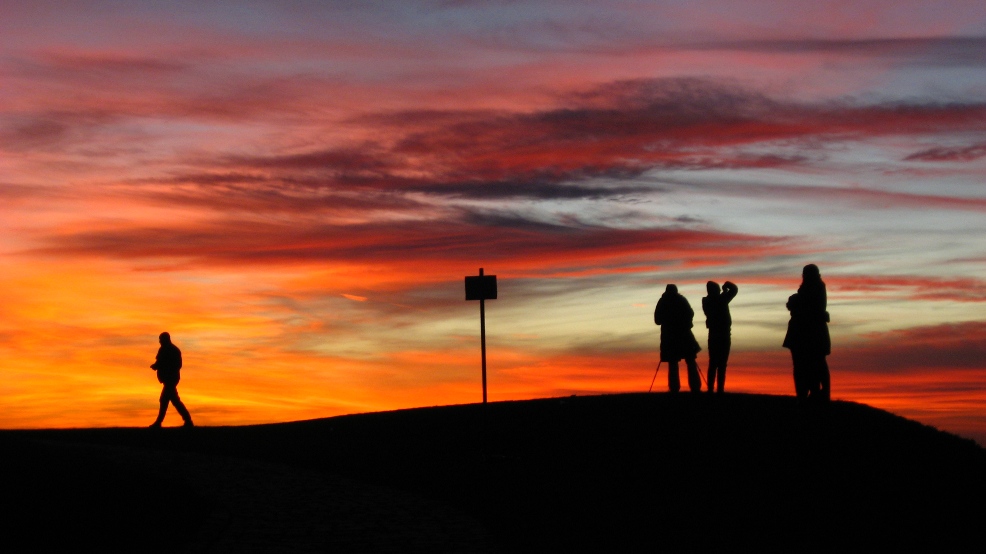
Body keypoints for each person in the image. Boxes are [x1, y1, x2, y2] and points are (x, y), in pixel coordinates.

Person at [782, 265, 831, 401]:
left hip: (808, 333)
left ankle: (815, 392)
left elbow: (804, 303)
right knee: (804, 364)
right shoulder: (811, 289)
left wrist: (794, 301)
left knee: (813, 363)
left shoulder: (815, 288)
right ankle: (808, 392)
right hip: (803, 332)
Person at [654, 284, 702, 393]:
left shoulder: (663, 301)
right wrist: (685, 323)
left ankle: (674, 389)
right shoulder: (682, 300)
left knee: (673, 363)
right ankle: (695, 388)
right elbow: (690, 313)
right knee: (690, 361)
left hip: (670, 337)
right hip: (684, 335)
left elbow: (657, 320)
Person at [149, 332, 193, 428]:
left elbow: (177, 365)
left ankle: (158, 423)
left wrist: (162, 367)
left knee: (164, 400)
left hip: (171, 379)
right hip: (168, 379)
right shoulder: (163, 349)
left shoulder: (173, 350)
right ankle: (187, 420)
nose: (160, 341)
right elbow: (159, 361)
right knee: (174, 401)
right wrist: (156, 366)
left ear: (166, 339)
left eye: (161, 339)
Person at [702, 280, 738, 393]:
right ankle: (719, 389)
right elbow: (734, 290)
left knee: (713, 362)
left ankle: (711, 389)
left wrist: (724, 290)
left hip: (713, 334)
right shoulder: (720, 299)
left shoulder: (707, 301)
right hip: (723, 334)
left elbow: (732, 291)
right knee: (721, 364)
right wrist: (727, 285)